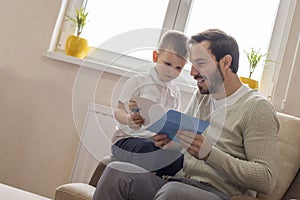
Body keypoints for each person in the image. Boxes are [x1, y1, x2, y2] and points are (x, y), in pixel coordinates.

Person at [92, 29, 279, 200]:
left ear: (226, 62)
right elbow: (183, 147)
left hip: (217, 193)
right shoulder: (202, 96)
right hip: (177, 183)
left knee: (172, 194)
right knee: (116, 173)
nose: (192, 73)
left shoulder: (257, 108)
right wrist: (170, 143)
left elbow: (266, 179)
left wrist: (209, 154)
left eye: (200, 64)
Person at [111, 30, 190, 177]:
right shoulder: (138, 81)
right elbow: (118, 110)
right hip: (127, 140)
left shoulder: (175, 92)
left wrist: (169, 139)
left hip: (156, 144)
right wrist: (128, 119)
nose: (172, 71)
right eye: (167, 63)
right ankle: (151, 165)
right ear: (156, 56)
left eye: (178, 68)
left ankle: (153, 170)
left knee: (180, 159)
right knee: (147, 150)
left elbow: (172, 123)